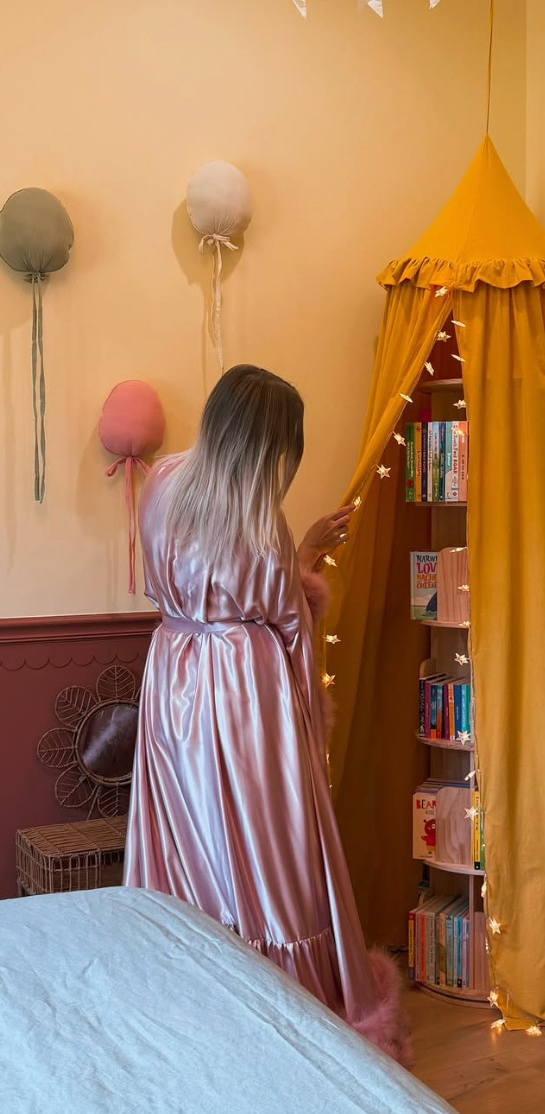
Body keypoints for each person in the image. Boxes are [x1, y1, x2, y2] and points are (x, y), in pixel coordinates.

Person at [123, 364, 409, 1063]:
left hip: (173, 679)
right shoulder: (257, 521)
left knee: (191, 840)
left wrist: (297, 550)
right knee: (269, 845)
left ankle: (190, 984)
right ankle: (281, 999)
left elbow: (221, 582)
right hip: (247, 692)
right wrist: (306, 554)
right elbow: (286, 618)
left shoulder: (162, 485)